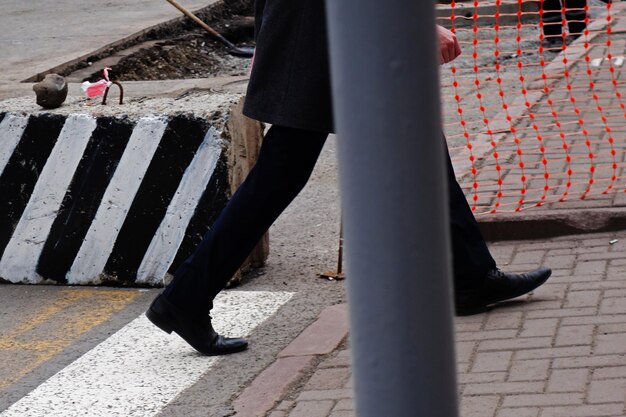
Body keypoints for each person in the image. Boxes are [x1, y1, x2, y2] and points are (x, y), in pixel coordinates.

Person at [145, 1, 552, 356]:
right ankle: (186, 298)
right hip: (325, 26)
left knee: (403, 141)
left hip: (323, 25)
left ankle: (470, 275)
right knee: (282, 173)